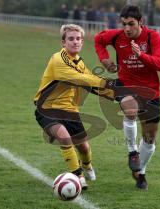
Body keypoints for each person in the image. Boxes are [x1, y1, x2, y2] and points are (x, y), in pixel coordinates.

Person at [94, 5, 160, 190]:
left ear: (140, 22)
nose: (127, 28)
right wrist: (104, 59)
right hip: (126, 85)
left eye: (131, 24)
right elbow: (98, 40)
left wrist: (140, 55)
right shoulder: (117, 36)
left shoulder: (153, 37)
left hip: (151, 91)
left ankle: (141, 172)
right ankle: (132, 151)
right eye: (124, 24)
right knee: (130, 109)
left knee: (150, 139)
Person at [34, 24, 114, 190]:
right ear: (63, 43)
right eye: (71, 39)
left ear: (82, 42)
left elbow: (90, 82)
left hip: (70, 111)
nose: (75, 42)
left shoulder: (79, 62)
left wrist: (115, 94)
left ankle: (87, 165)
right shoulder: (58, 60)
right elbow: (82, 80)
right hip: (47, 109)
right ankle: (78, 177)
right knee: (64, 137)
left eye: (78, 39)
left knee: (84, 148)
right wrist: (112, 83)